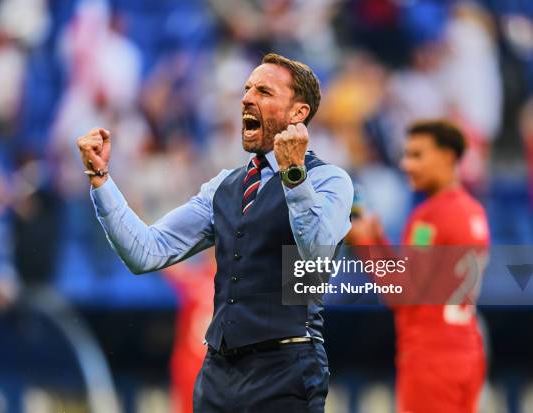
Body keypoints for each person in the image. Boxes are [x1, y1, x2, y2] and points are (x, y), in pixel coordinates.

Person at [76, 53, 353, 412]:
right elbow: (145, 251)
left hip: (285, 369)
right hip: (218, 374)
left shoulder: (330, 180)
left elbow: (316, 256)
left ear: (298, 113)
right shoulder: (223, 187)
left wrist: (293, 174)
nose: (247, 98)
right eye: (247, 88)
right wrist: (101, 180)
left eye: (264, 91)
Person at [347, 120, 490, 413]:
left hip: (430, 356)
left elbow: (402, 293)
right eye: (405, 155)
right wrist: (379, 241)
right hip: (467, 350)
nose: (406, 164)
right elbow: (423, 277)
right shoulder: (473, 211)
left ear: (448, 157)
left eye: (417, 155)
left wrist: (363, 245)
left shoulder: (429, 216)